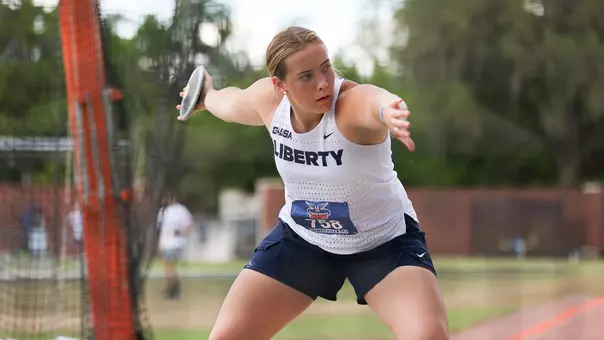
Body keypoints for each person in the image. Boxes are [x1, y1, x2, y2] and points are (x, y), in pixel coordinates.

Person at [176, 26, 449, 340]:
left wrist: (388, 111)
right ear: (280, 85)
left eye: (326, 68)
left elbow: (373, 99)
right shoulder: (268, 101)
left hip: (382, 243)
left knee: (428, 336)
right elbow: (229, 103)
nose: (323, 84)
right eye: (306, 76)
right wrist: (206, 95)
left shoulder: (347, 106)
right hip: (304, 240)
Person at [156, 193, 194, 299]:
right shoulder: (164, 211)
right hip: (166, 242)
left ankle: (175, 288)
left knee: (169, 265)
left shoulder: (180, 210)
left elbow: (189, 226)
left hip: (174, 242)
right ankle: (172, 288)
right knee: (167, 266)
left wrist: (181, 233)